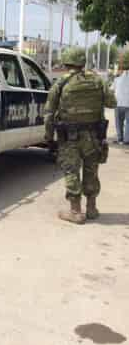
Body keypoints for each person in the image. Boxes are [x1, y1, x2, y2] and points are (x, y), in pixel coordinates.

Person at [44, 47, 116, 224]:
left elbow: (48, 114)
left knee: (71, 171)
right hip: (94, 136)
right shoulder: (97, 81)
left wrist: (48, 136)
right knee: (92, 170)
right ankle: (91, 209)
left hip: (69, 137)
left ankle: (76, 212)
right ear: (82, 62)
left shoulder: (60, 83)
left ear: (66, 61)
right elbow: (112, 103)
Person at [112, 52, 129, 145]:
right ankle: (127, 140)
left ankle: (120, 138)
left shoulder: (117, 77)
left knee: (119, 123)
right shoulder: (118, 76)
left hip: (118, 103)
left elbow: (111, 89)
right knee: (128, 123)